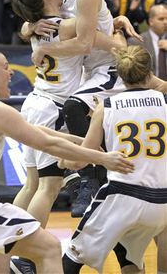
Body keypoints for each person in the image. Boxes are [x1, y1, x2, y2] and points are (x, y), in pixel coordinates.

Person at [0, 46, 134, 274]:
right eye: (5, 67)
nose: (11, 73)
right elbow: (48, 144)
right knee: (49, 247)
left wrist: (80, 140)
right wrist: (103, 158)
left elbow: (36, 130)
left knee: (2, 247)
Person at [19, 0, 144, 272]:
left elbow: (86, 41)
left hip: (107, 71)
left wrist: (41, 45)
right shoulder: (66, 3)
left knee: (74, 110)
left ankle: (86, 179)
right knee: (45, 183)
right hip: (74, 83)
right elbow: (79, 33)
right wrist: (33, 27)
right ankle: (90, 178)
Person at [62, 45, 167, 274]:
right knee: (131, 260)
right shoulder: (165, 101)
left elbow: (85, 158)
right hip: (162, 201)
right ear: (150, 72)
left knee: (70, 259)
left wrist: (66, 162)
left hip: (123, 195)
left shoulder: (106, 106)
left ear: (121, 76)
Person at [128, 4, 167, 81]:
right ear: (151, 21)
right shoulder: (136, 42)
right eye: (161, 19)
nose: (165, 22)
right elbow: (131, 72)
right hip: (146, 89)